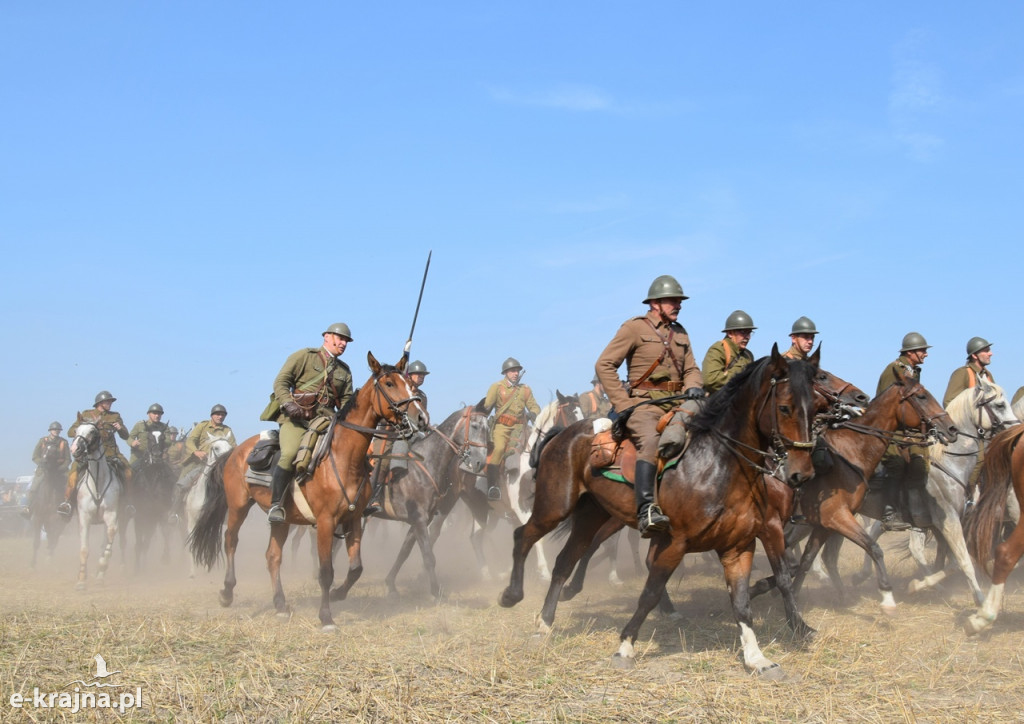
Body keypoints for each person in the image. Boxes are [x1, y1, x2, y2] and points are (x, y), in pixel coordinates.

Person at [595, 275, 704, 538]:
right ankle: (646, 510)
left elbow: (692, 369)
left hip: (678, 405)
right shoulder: (634, 328)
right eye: (672, 300)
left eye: (679, 300)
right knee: (651, 442)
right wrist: (624, 403)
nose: (678, 304)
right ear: (655, 303)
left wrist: (693, 386)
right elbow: (604, 365)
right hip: (644, 406)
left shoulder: (681, 333)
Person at [262, 323, 354, 523]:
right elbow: (281, 382)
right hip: (296, 419)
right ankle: (276, 505)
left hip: (326, 421)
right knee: (290, 453)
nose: (344, 343)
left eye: (346, 340)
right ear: (327, 337)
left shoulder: (344, 371)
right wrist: (288, 404)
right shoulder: (305, 356)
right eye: (340, 338)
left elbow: (346, 402)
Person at [876, 332, 931, 531]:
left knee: (919, 463)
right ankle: (889, 513)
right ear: (911, 352)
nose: (926, 354)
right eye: (922, 350)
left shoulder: (913, 371)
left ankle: (913, 510)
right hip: (887, 429)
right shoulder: (894, 369)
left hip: (906, 429)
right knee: (897, 464)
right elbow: (884, 402)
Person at [365, 359, 430, 516]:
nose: (421, 377)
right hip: (388, 431)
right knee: (383, 460)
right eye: (418, 374)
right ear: (409, 375)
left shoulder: (421, 396)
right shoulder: (398, 388)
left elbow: (421, 418)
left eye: (423, 375)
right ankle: (372, 499)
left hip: (408, 434)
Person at [58, 391, 131, 516]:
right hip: (90, 453)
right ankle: (67, 502)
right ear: (100, 403)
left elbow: (125, 436)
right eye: (107, 401)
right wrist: (83, 429)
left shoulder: (115, 416)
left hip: (110, 452)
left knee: (128, 471)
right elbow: (70, 432)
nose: (110, 403)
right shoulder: (86, 415)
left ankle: (128, 503)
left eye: (110, 401)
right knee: (73, 473)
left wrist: (120, 428)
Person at [482, 357, 540, 501]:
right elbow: (487, 407)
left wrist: (533, 413)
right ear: (506, 373)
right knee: (500, 449)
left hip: (520, 427)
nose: (516, 373)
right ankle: (492, 486)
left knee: (534, 447)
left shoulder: (525, 390)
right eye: (513, 371)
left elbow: (534, 407)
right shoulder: (496, 387)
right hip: (501, 427)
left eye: (517, 371)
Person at [171, 405, 237, 514]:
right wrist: (196, 452)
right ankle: (174, 513)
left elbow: (234, 446)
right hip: (199, 463)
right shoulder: (202, 426)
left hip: (221, 466)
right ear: (212, 415)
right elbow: (190, 441)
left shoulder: (227, 430)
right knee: (181, 485)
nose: (220, 417)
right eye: (217, 414)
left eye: (223, 415)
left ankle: (230, 513)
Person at [23, 422, 71, 518]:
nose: (56, 431)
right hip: (44, 470)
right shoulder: (42, 441)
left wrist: (61, 468)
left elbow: (68, 459)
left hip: (58, 471)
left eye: (58, 430)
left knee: (68, 486)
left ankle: (66, 507)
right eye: (54, 429)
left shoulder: (64, 442)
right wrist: (42, 464)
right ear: (50, 431)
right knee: (34, 487)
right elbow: (35, 457)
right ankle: (28, 508)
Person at [702, 310, 756, 394]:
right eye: (743, 332)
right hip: (717, 400)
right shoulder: (718, 349)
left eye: (749, 332)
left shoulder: (748, 355)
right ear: (730, 333)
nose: (747, 337)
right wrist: (743, 371)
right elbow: (711, 380)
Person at [943, 336, 995, 407]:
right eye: (986, 351)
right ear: (974, 356)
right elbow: (949, 402)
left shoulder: (988, 375)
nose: (990, 353)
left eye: (989, 350)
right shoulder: (962, 373)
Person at [128, 403, 170, 470]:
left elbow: (168, 441)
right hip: (139, 456)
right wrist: (132, 443)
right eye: (154, 413)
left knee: (171, 474)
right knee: (129, 473)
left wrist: (160, 440)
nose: (157, 415)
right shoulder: (140, 425)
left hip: (157, 457)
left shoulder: (164, 427)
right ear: (148, 414)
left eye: (159, 414)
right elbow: (129, 437)